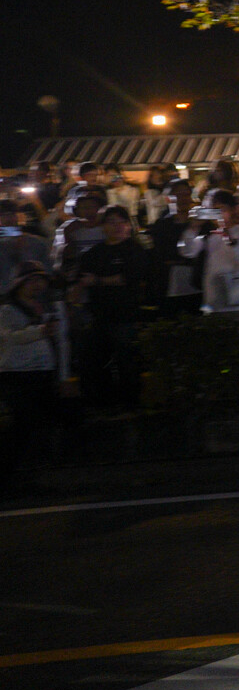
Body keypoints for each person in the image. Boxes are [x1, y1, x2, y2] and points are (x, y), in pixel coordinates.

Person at [75, 206, 155, 411]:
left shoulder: (135, 250)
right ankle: (105, 404)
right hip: (98, 315)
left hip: (126, 316)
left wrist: (98, 280)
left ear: (129, 225)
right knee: (97, 362)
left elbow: (128, 279)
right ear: (103, 227)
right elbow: (82, 280)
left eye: (122, 221)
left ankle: (131, 404)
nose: (118, 226)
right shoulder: (94, 254)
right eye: (112, 222)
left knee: (127, 362)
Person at [1, 265, 70, 489]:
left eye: (41, 280)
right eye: (31, 280)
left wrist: (63, 375)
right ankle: (11, 472)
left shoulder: (49, 306)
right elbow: (10, 338)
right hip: (16, 373)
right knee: (21, 423)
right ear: (19, 282)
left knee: (41, 423)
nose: (37, 285)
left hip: (44, 370)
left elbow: (61, 340)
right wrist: (40, 331)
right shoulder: (8, 310)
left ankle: (34, 471)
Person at [179, 190, 239, 315]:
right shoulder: (208, 236)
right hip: (214, 302)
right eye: (214, 210)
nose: (218, 214)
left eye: (222, 209)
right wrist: (194, 227)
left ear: (233, 209)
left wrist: (229, 238)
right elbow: (187, 251)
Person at [148, 180, 202, 318]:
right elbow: (161, 255)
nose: (183, 199)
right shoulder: (161, 226)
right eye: (178, 195)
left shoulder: (201, 224)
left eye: (186, 194)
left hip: (197, 284)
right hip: (168, 285)